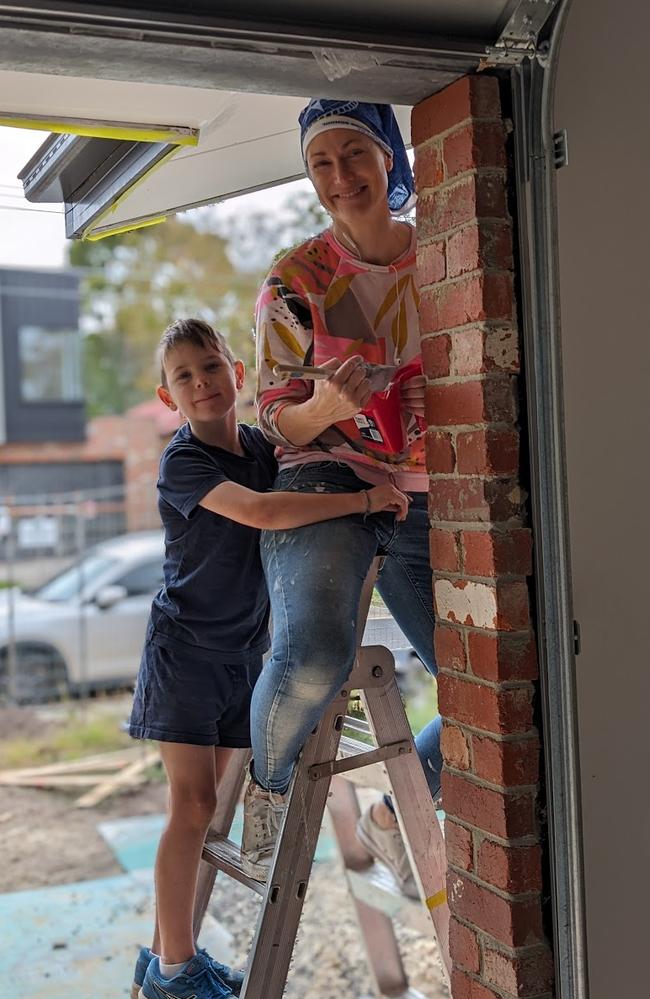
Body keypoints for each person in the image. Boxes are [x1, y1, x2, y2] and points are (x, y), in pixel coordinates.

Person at [128, 317, 409, 999]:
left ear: (238, 375)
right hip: (187, 652)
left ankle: (169, 953)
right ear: (168, 396)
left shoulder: (259, 445)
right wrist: (367, 498)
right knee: (191, 807)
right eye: (184, 375)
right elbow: (263, 512)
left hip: (244, 655)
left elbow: (301, 456)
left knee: (214, 808)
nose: (201, 383)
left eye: (211, 366)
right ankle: (172, 970)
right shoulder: (186, 462)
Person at [241, 100, 443, 898]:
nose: (339, 177)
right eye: (321, 164)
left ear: (389, 157)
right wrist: (323, 409)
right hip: (329, 478)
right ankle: (268, 786)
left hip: (431, 490)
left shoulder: (444, 259)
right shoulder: (299, 280)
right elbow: (273, 408)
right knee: (315, 654)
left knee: (488, 686)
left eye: (353, 154)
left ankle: (398, 810)